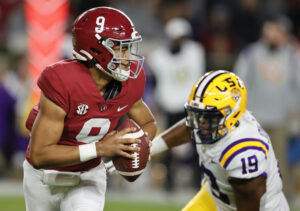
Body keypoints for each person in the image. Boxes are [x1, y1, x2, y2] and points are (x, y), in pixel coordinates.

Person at [22, 7, 157, 211]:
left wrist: (135, 144)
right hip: (43, 177)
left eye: (128, 48)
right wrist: (100, 148)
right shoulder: (63, 80)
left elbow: (147, 123)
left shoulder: (131, 81)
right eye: (121, 48)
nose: (129, 57)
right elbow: (39, 155)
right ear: (96, 50)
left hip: (88, 176)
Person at [151, 70, 289, 211]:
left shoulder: (244, 149)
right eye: (199, 115)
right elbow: (190, 126)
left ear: (231, 114)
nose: (201, 124)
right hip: (215, 196)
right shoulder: (212, 123)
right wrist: (150, 148)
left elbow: (248, 201)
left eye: (209, 118)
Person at [233, 14, 300, 200]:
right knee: (252, 161)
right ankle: (253, 198)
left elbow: (297, 86)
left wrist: (294, 112)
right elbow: (240, 83)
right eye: (269, 31)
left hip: (281, 118)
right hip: (255, 119)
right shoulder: (251, 53)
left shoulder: (292, 56)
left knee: (281, 163)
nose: (272, 35)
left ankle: (284, 199)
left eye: (277, 31)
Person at [148, 17, 205, 191]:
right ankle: (168, 183)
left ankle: (198, 182)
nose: (178, 40)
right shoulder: (159, 56)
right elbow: (158, 81)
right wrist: (158, 102)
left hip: (190, 105)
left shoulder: (195, 52)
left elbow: (198, 78)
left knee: (197, 145)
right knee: (168, 144)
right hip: (170, 105)